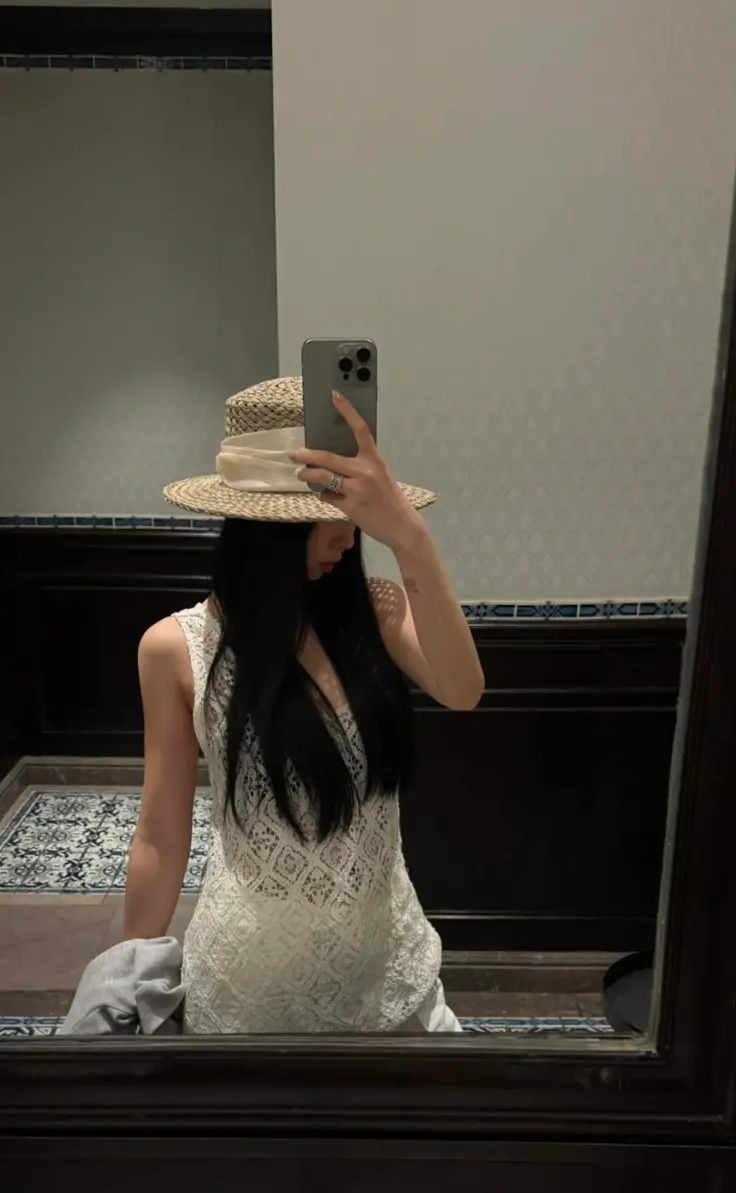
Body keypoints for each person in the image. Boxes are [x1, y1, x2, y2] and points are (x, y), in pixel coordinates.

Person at [122, 376, 484, 1033]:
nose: (348, 537)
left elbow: (463, 690)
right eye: (327, 513)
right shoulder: (177, 648)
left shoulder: (377, 613)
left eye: (356, 511)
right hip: (249, 985)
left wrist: (410, 537)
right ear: (265, 529)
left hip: (387, 966)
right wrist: (125, 980)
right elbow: (159, 833)